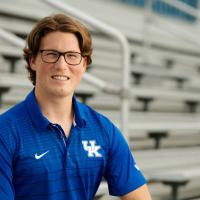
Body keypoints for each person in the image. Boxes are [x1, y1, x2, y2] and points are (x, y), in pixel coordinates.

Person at [0, 14, 152, 200]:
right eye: (51, 54)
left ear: (84, 64)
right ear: (33, 60)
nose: (61, 65)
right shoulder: (5, 132)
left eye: (72, 56)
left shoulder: (103, 130)